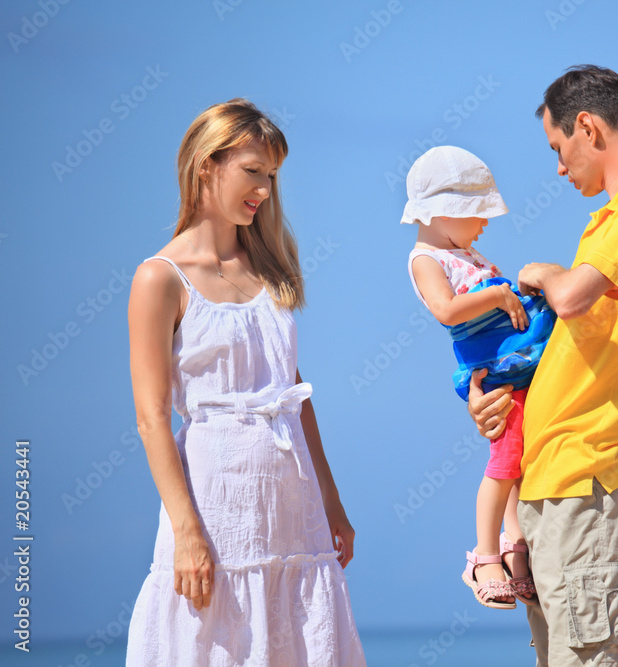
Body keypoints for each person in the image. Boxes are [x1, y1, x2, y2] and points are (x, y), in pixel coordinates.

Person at [468, 65, 618, 665]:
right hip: (566, 483)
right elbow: (583, 344)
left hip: (585, 479)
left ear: (588, 128)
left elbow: (572, 298)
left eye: (557, 147)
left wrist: (545, 273)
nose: (558, 167)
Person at [125, 98, 365, 666]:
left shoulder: (268, 271)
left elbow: (295, 397)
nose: (264, 189)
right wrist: (187, 531)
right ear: (206, 163)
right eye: (253, 170)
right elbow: (151, 417)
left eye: (272, 176)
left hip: (293, 506)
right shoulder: (160, 278)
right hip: (216, 504)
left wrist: (331, 500)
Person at [403, 146, 556, 610]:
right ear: (445, 211)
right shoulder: (427, 259)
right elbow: (446, 310)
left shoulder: (464, 252)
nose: (485, 223)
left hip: (512, 363)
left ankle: (515, 547)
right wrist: (498, 296)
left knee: (517, 458)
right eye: (478, 213)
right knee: (505, 461)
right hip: (494, 370)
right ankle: (484, 556)